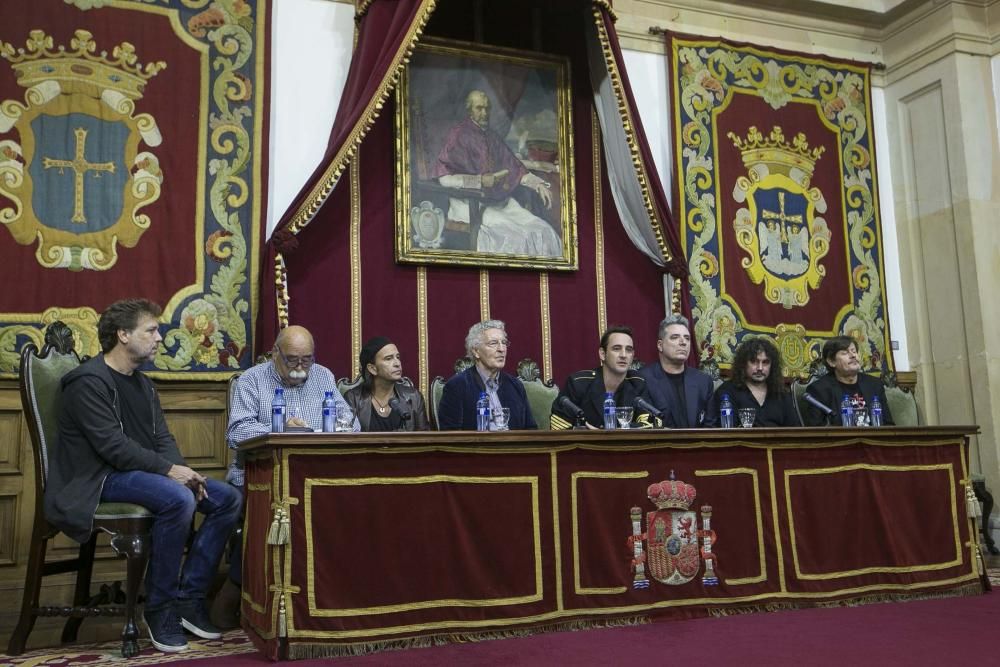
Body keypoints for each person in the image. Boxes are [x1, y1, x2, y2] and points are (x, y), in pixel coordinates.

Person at [44, 299, 242, 653]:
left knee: (227, 498)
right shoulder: (87, 381)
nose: (159, 338)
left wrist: (185, 472)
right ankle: (159, 607)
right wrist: (170, 473)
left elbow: (161, 438)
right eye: (151, 330)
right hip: (95, 480)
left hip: (134, 473)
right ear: (122, 335)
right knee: (177, 498)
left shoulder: (143, 384)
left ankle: (188, 597)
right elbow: (112, 448)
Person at [221, 325, 359, 625]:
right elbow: (236, 432)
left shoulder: (322, 376)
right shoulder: (251, 380)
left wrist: (333, 427)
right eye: (293, 360)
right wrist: (279, 430)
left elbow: (351, 423)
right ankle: (243, 599)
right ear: (275, 354)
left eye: (306, 360)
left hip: (314, 478)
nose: (300, 368)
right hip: (260, 477)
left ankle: (330, 600)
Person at [434, 90, 562, 257]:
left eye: (487, 108)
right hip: (469, 205)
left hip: (501, 203)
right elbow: (444, 179)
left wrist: (538, 184)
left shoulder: (492, 136)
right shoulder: (458, 135)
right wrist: (479, 181)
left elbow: (515, 168)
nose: (484, 113)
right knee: (515, 237)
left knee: (544, 231)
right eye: (479, 108)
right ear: (469, 110)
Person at [551, 326, 659, 429]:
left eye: (629, 350)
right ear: (602, 354)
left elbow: (650, 422)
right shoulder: (578, 383)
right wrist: (585, 433)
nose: (623, 355)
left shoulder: (637, 383)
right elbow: (559, 426)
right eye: (616, 349)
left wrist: (616, 431)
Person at [437, 319, 537, 430]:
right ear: (476, 351)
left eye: (504, 343)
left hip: (515, 447)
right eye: (493, 343)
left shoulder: (515, 385)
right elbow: (451, 436)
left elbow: (531, 429)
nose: (501, 349)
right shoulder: (457, 386)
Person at [637, 314, 714, 428]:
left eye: (687, 338)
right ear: (660, 345)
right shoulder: (644, 379)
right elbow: (644, 426)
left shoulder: (703, 381)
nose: (683, 342)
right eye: (675, 337)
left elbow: (711, 426)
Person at [707, 337, 799, 427]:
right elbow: (726, 433)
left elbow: (795, 433)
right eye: (754, 361)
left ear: (772, 366)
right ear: (743, 363)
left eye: (765, 362)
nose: (760, 368)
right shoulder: (727, 392)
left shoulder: (781, 394)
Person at [803, 336, 894, 426]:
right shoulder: (819, 390)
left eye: (854, 351)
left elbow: (888, 425)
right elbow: (816, 431)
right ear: (831, 361)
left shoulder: (874, 385)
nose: (853, 355)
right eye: (845, 353)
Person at [343, 336, 430, 431]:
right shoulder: (353, 399)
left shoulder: (414, 397)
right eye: (388, 359)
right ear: (372, 368)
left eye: (398, 357)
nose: (397, 363)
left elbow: (424, 438)